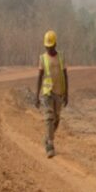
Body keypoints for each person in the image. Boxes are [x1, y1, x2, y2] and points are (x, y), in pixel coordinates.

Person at [35, 30, 68, 158]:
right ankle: (50, 145)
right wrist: (36, 96)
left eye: (51, 46)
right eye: (47, 46)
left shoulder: (61, 57)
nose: (48, 48)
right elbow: (39, 76)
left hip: (59, 92)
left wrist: (66, 94)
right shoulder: (42, 58)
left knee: (56, 119)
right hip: (47, 92)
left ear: (55, 44)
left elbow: (65, 75)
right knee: (49, 117)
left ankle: (47, 137)